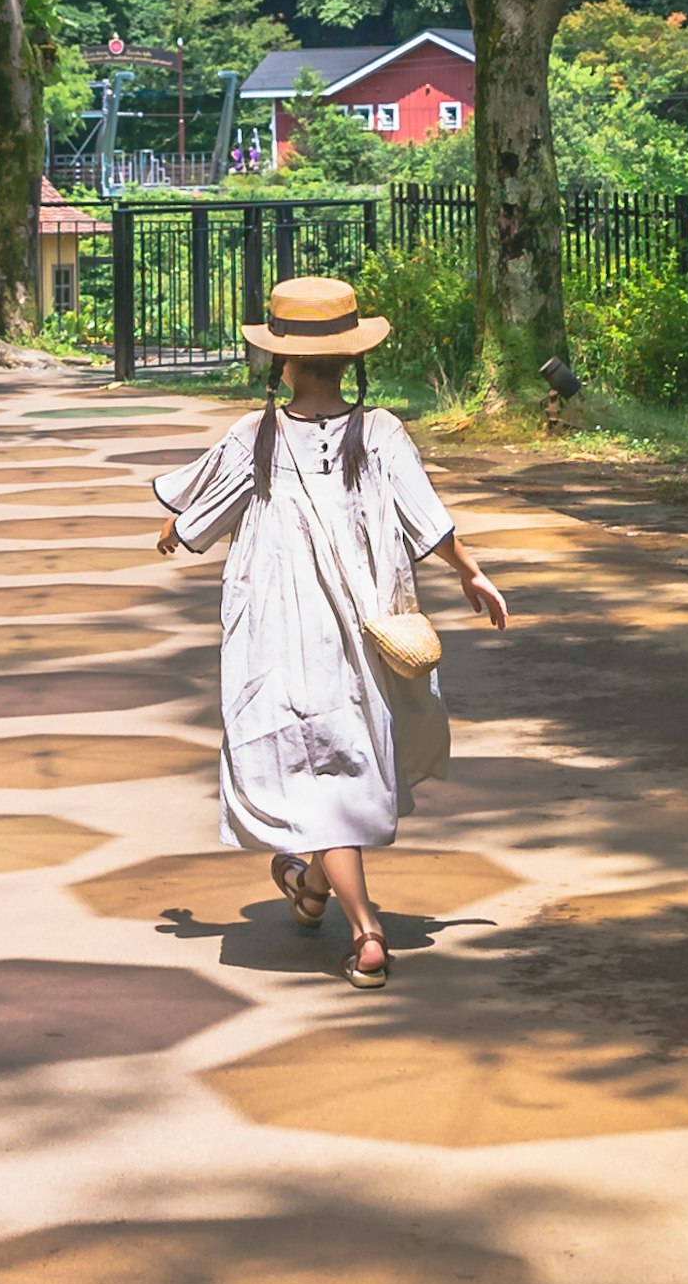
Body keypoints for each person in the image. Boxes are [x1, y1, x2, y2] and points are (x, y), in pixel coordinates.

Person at [153, 267, 512, 986]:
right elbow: (425, 517)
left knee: (312, 775)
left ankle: (366, 929)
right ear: (353, 358)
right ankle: (312, 887)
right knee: (343, 763)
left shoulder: (255, 434)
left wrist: (173, 530)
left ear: (278, 360)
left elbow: (192, 520)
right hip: (363, 626)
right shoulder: (379, 432)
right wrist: (470, 570)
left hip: (278, 630)